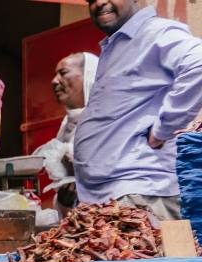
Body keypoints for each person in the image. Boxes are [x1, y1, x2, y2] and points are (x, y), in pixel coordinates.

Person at [73, 0, 202, 221]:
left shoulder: (154, 31)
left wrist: (163, 129)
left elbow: (198, 63)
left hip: (139, 194)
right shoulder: (119, 44)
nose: (100, 3)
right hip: (114, 196)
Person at [46, 52, 99, 212]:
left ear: (89, 76)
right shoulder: (66, 126)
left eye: (63, 73)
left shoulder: (107, 120)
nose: (54, 81)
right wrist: (65, 201)